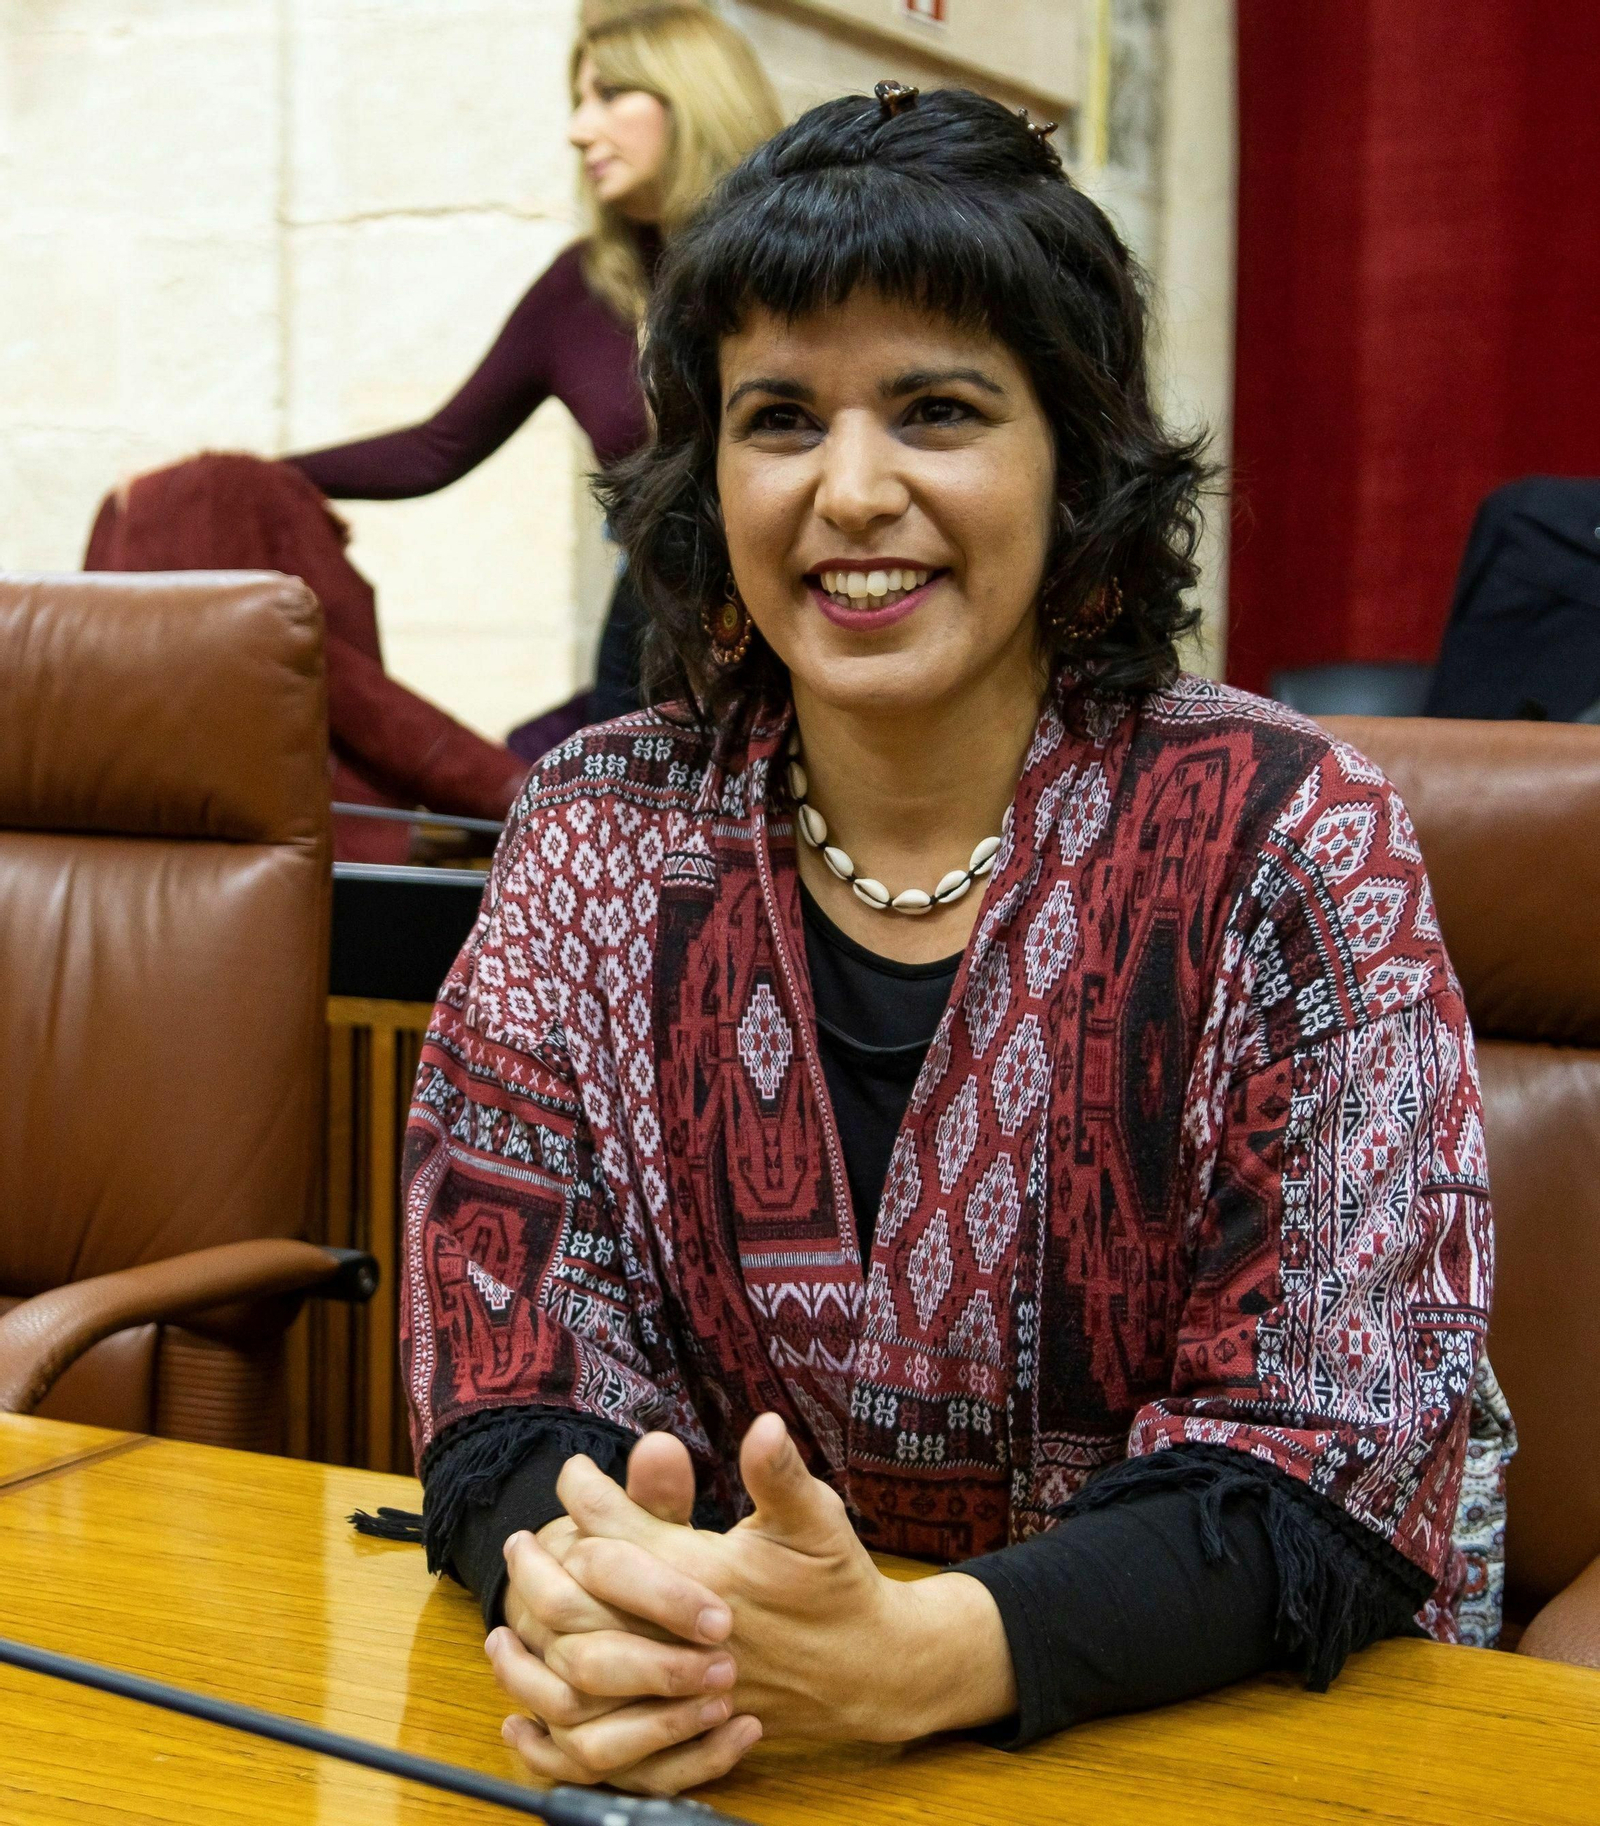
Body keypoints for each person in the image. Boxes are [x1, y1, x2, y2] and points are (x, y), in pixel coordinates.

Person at [398, 85, 1508, 1796]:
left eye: (937, 409)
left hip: (1218, 1748)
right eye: (779, 418)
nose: (851, 492)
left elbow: (1325, 1460)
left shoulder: (1287, 835)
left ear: (1074, 467)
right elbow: (503, 1366)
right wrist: (605, 1598)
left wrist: (919, 1658)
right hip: (726, 1743)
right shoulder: (596, 831)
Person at [287, 1, 784, 737]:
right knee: (619, 828)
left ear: (693, 97)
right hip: (650, 628)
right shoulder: (585, 284)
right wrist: (250, 473)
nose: (579, 128)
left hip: (796, 614)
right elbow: (438, 447)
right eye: (579, 101)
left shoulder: (792, 262)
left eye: (610, 95)